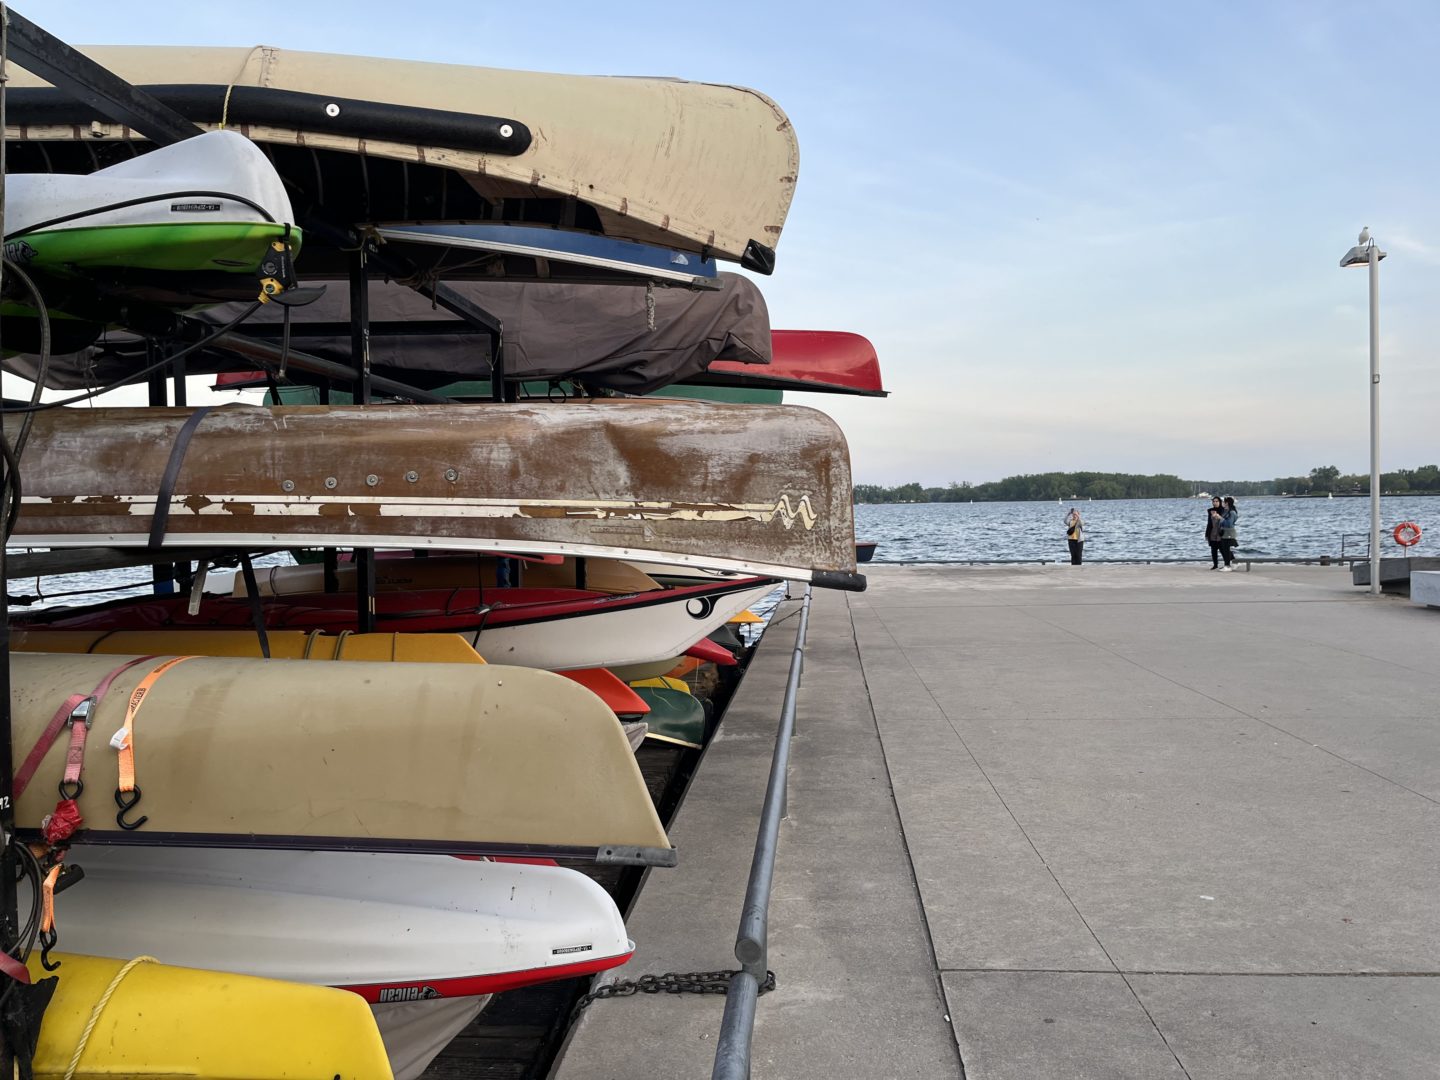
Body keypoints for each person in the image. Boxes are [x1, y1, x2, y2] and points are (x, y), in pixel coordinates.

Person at [1218, 497, 1239, 571]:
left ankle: (1228, 566)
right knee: (1223, 549)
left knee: (1226, 549)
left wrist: (1220, 518)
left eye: (1223, 502)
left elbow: (1229, 524)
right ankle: (1233, 562)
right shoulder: (1225, 511)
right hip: (1224, 533)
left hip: (1229, 533)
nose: (1222, 503)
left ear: (1227, 503)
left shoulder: (1232, 512)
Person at [1205, 496, 1224, 569]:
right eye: (1214, 501)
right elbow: (1209, 523)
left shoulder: (1223, 510)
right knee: (1213, 549)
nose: (1215, 503)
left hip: (1220, 532)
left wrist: (1218, 516)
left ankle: (1228, 562)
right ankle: (1215, 565)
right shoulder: (1211, 511)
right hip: (1212, 532)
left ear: (1220, 502)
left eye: (1216, 501)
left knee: (1222, 549)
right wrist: (1207, 534)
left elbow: (1224, 521)